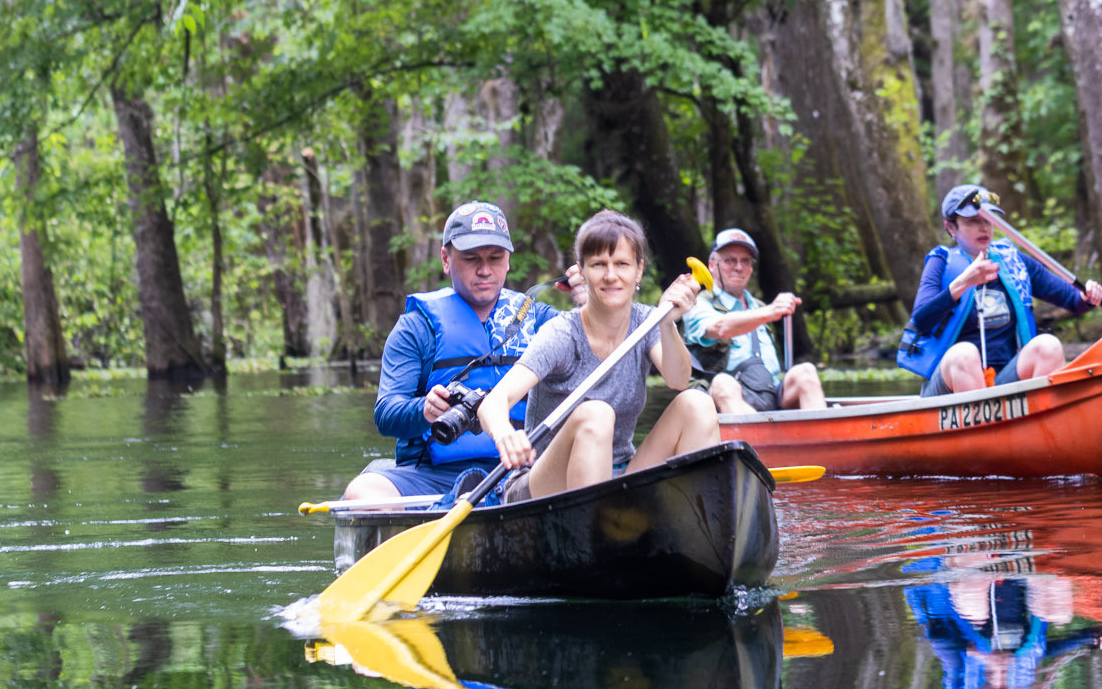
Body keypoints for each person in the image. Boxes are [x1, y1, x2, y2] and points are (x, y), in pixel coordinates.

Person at [478, 210, 720, 500]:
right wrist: (505, 434)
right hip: (543, 484)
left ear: (639, 270)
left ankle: (697, 531)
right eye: (598, 264)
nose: (610, 275)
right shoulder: (563, 334)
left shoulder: (648, 322)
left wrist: (667, 323)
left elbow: (679, 379)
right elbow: (493, 402)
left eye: (622, 264)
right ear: (581, 271)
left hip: (618, 476)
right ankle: (588, 538)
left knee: (698, 403)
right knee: (596, 412)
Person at [342, 202, 560, 505]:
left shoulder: (541, 318)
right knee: (361, 493)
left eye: (495, 258)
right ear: (446, 259)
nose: (484, 270)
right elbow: (386, 413)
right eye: (471, 259)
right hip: (433, 475)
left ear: (509, 260)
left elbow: (596, 349)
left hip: (525, 469)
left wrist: (592, 301)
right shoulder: (416, 328)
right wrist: (424, 411)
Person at [898, 183, 1102, 396]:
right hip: (949, 386)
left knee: (1047, 346)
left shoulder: (1014, 262)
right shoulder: (941, 261)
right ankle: (981, 427)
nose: (984, 228)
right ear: (951, 227)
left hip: (1003, 380)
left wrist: (1087, 295)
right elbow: (921, 320)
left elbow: (1073, 300)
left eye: (988, 220)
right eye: (973, 221)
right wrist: (963, 283)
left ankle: (1041, 423)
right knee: (964, 354)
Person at [683, 228, 826, 414]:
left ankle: (822, 439)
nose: (739, 267)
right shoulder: (698, 303)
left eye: (745, 261)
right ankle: (758, 441)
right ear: (712, 265)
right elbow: (721, 328)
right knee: (723, 384)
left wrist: (766, 311)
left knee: (806, 371)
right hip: (723, 397)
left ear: (751, 268)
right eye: (729, 260)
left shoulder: (759, 306)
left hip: (772, 393)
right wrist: (770, 311)